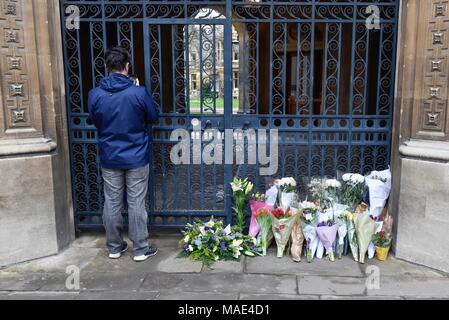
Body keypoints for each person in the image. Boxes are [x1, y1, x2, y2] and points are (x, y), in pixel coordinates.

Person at [88, 46, 159, 262]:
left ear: (107, 67)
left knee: (112, 202)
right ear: (127, 66)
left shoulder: (95, 94)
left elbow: (94, 120)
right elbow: (153, 116)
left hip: (110, 156)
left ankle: (114, 247)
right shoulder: (138, 92)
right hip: (136, 156)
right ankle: (140, 249)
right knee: (136, 202)